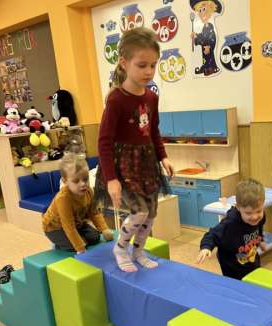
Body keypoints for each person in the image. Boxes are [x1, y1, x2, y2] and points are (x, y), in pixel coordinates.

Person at [96, 27, 174, 273]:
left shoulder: (151, 97)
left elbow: (153, 131)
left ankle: (138, 251)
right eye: (142, 65)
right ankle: (121, 248)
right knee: (139, 212)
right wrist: (111, 179)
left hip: (147, 162)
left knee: (151, 213)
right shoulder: (116, 99)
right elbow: (104, 141)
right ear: (124, 63)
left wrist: (163, 157)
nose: (149, 71)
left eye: (153, 65)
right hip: (123, 165)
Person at [196, 179, 267, 280]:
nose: (255, 217)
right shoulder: (230, 223)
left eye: (258, 211)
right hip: (232, 265)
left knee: (254, 277)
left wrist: (261, 240)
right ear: (238, 207)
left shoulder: (260, 217)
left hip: (251, 258)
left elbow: (259, 228)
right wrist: (206, 247)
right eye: (248, 213)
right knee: (238, 284)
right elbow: (212, 234)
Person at [43, 153, 114, 253]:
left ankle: (75, 239)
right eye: (76, 181)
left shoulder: (89, 191)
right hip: (55, 228)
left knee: (95, 238)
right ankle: (58, 243)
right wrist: (80, 248)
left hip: (77, 223)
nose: (83, 184)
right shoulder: (63, 199)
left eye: (85, 179)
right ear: (65, 181)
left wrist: (104, 229)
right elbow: (68, 226)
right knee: (76, 245)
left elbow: (94, 213)